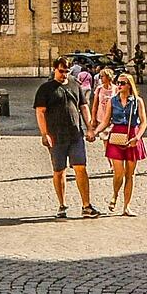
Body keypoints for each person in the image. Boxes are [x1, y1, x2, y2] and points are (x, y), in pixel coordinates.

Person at [34, 58, 98, 220]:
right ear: (55, 69)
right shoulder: (45, 89)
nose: (64, 74)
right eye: (61, 71)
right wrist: (44, 133)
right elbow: (40, 112)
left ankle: (86, 205)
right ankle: (62, 205)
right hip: (56, 137)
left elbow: (83, 107)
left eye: (67, 71)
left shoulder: (75, 85)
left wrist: (89, 127)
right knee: (59, 171)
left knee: (81, 168)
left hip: (75, 134)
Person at [98, 73, 147, 215]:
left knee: (130, 174)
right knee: (118, 173)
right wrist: (94, 131)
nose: (119, 85)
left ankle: (126, 206)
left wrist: (138, 137)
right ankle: (115, 194)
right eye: (118, 82)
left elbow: (143, 122)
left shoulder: (137, 101)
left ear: (129, 85)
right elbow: (105, 121)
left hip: (132, 135)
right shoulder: (112, 101)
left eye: (122, 83)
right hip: (117, 136)